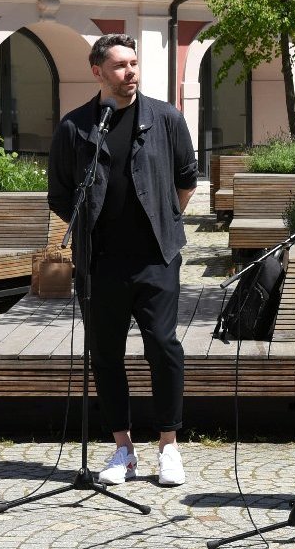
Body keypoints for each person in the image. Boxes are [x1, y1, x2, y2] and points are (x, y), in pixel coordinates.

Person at [47, 33, 198, 488]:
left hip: (156, 256)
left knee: (163, 345)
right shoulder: (76, 127)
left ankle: (169, 445)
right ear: (98, 71)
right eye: (119, 66)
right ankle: (123, 449)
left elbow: (186, 180)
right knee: (106, 354)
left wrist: (164, 221)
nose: (129, 72)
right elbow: (60, 194)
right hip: (99, 261)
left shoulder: (166, 118)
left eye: (133, 63)